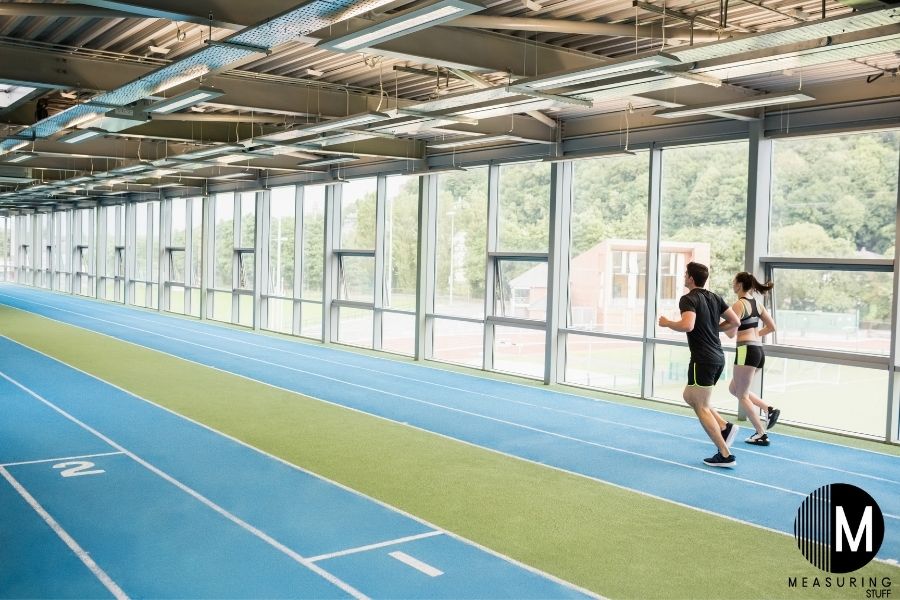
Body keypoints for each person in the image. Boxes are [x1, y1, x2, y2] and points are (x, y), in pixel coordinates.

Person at [659, 262, 741, 468]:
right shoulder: (714, 297)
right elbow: (735, 322)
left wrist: (667, 322)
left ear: (691, 279)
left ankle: (725, 454)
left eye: (686, 274)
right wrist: (714, 328)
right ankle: (724, 425)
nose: (684, 276)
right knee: (690, 396)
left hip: (702, 359)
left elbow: (688, 325)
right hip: (717, 357)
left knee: (701, 406)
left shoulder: (688, 298)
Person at [724, 271, 780, 446]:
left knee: (741, 395)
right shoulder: (758, 304)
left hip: (745, 351)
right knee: (734, 389)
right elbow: (772, 327)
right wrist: (755, 335)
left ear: (739, 285)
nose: (733, 285)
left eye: (734, 282)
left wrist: (718, 325)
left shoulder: (738, 305)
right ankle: (768, 409)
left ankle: (761, 433)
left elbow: (731, 333)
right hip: (758, 350)